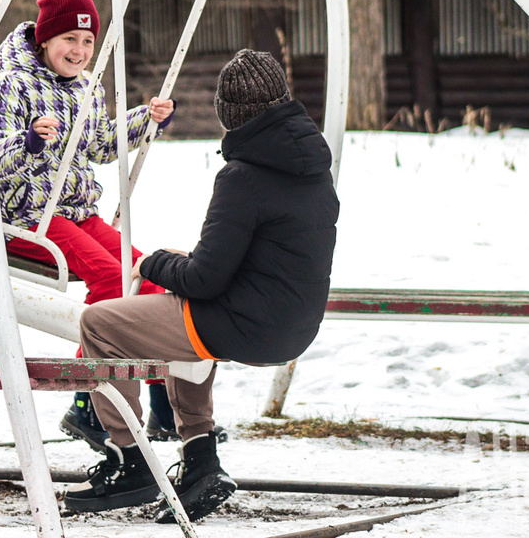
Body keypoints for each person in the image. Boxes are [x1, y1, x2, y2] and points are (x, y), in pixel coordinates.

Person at [62, 49, 339, 522]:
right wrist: (179, 266)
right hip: (295, 327)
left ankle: (129, 460)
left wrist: (151, 262)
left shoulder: (242, 177)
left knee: (99, 323)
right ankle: (201, 462)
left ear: (231, 116)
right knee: (181, 323)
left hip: (243, 324)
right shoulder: (314, 170)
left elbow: (204, 279)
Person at [0, 0, 177, 446]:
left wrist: (146, 120)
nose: (79, 51)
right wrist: (29, 142)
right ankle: (85, 402)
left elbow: (98, 145)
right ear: (46, 39)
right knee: (114, 283)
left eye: (87, 42)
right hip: (27, 214)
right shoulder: (11, 83)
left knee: (151, 279)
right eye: (69, 40)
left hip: (76, 211)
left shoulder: (87, 88)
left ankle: (163, 406)